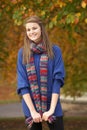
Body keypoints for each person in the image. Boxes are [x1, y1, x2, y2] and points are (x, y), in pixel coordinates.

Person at [17, 15, 65, 130]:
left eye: (34, 28)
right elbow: (23, 84)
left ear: (41, 29)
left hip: (52, 104)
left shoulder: (54, 51)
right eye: (28, 30)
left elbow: (57, 80)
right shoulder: (23, 53)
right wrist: (33, 111)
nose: (31, 32)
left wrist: (52, 109)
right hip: (30, 106)